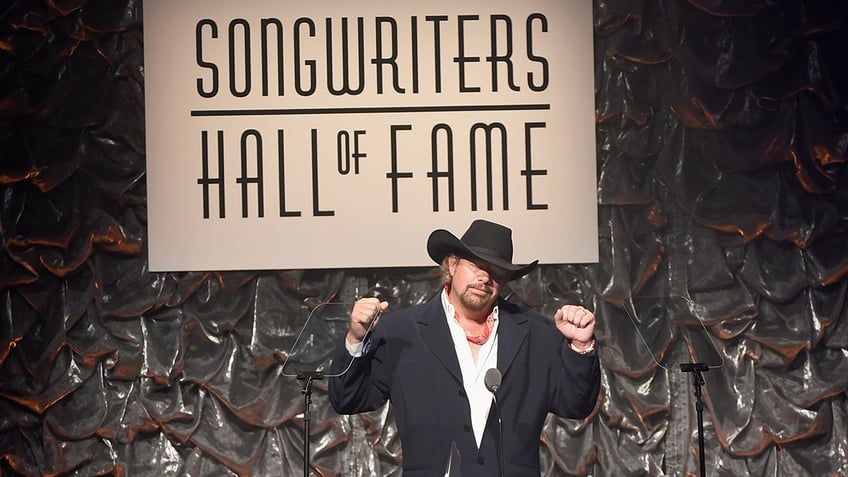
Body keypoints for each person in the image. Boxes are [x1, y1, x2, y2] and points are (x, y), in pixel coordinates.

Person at [328, 219, 601, 477]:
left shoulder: (536, 333)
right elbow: (348, 399)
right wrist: (355, 338)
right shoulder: (402, 331)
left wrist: (581, 345)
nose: (485, 277)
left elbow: (575, 405)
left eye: (496, 271)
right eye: (476, 266)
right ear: (453, 264)